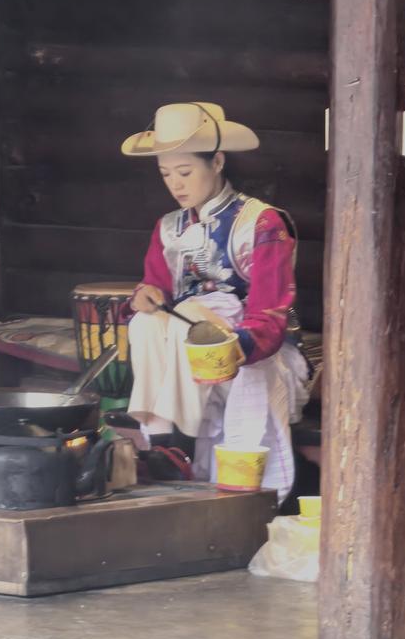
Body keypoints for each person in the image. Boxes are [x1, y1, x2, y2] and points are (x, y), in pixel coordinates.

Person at [121, 102, 309, 503]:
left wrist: (235, 347)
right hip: (182, 345)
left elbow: (271, 313)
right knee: (146, 322)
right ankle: (162, 438)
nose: (176, 184)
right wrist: (144, 298)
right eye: (166, 174)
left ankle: (185, 438)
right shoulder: (169, 228)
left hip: (254, 348)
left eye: (185, 172)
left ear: (218, 161)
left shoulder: (261, 223)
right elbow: (155, 287)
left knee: (188, 313)